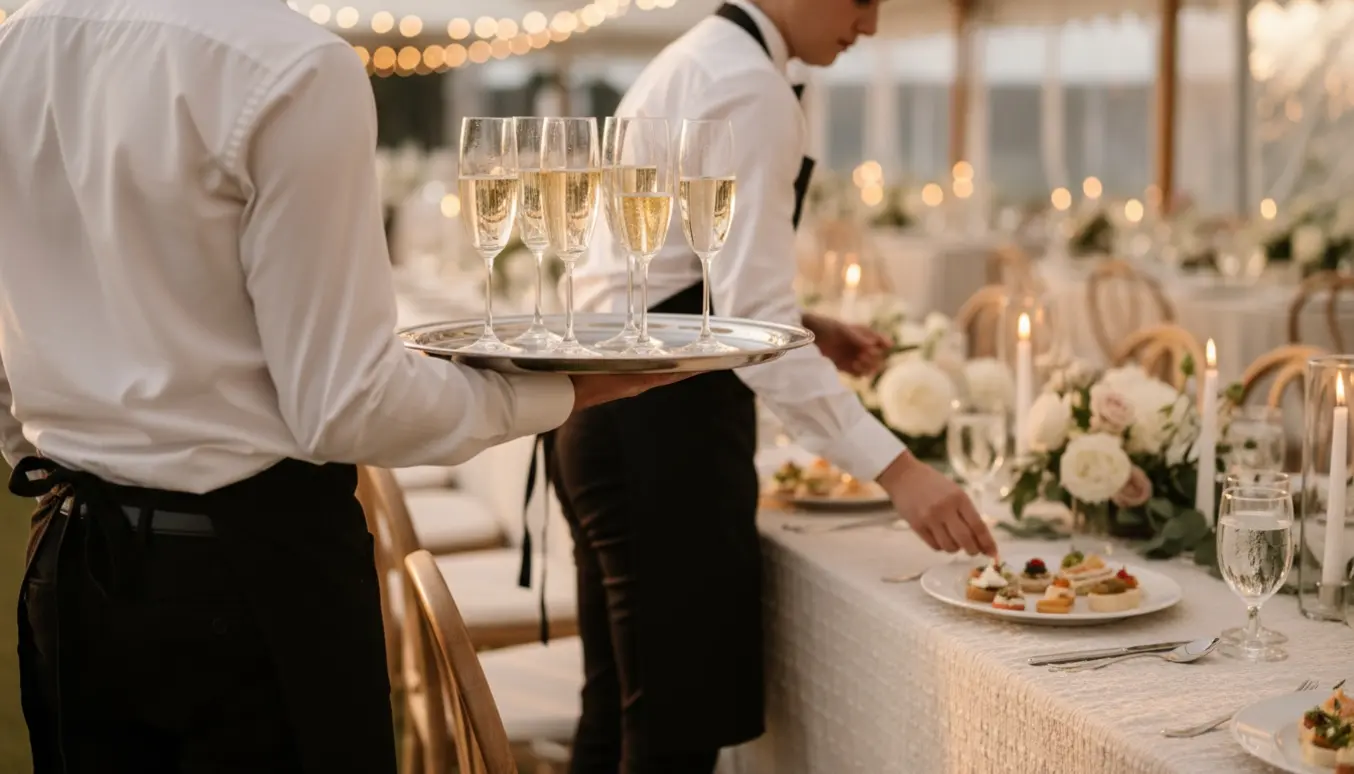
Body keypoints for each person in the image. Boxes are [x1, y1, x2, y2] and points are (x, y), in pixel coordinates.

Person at [0, 1, 688, 772]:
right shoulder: (289, 66)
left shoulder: (19, 38)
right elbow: (346, 405)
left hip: (65, 568)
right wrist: (561, 393)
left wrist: (67, 448)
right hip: (248, 588)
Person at [553, 0, 1000, 771]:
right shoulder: (748, 86)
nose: (871, 25)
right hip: (661, 429)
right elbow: (751, 323)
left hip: (598, 411)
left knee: (619, 715)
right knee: (671, 736)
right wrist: (899, 470)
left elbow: (672, 272)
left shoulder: (693, 57)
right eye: (861, 0)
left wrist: (809, 323)